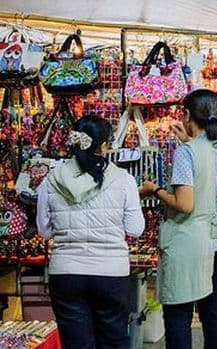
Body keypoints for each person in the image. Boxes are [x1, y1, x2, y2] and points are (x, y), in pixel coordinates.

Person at [37, 115, 145, 349]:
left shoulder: (51, 179)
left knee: (77, 344)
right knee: (114, 341)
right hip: (111, 273)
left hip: (66, 273)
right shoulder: (123, 179)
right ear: (104, 145)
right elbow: (136, 229)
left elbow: (44, 231)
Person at [140, 89, 217, 349]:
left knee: (178, 314)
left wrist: (155, 190)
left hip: (190, 244)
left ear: (187, 115)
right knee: (214, 310)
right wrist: (188, 143)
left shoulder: (187, 153)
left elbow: (185, 204)